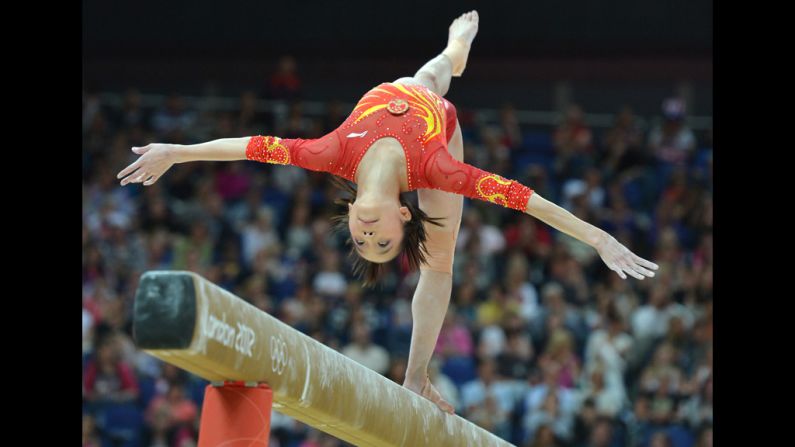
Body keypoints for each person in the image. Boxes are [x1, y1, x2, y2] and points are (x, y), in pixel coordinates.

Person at [117, 10, 657, 413]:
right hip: (434, 124)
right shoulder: (438, 171)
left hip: (406, 106)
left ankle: (416, 375)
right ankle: (452, 55)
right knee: (429, 89)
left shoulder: (333, 152)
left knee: (427, 94)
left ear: (351, 215)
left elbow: (251, 144)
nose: (369, 236)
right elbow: (530, 202)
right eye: (383, 243)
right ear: (403, 216)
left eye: (361, 240)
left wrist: (180, 151)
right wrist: (600, 239)